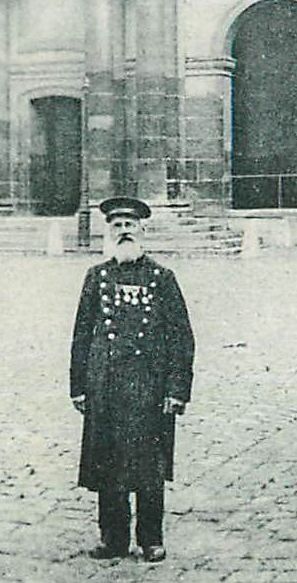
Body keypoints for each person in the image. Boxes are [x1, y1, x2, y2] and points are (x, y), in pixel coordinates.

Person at [69, 195, 196, 564]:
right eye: (117, 226)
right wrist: (78, 387)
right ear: (109, 232)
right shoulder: (96, 276)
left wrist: (177, 389)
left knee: (149, 466)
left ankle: (151, 538)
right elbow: (81, 334)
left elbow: (181, 337)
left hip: (148, 388)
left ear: (143, 230)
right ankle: (113, 538)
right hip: (105, 386)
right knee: (107, 463)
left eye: (130, 225)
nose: (124, 231)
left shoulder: (162, 278)